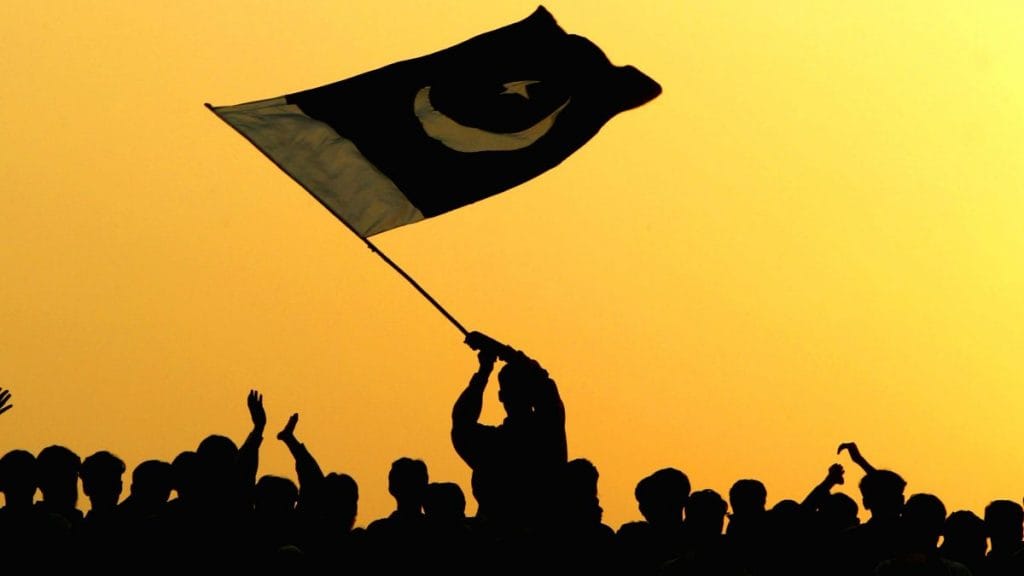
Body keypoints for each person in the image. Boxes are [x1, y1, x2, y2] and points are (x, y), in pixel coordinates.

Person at [451, 330, 567, 540]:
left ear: (501, 396)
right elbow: (544, 383)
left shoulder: (491, 444)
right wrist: (503, 351)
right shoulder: (548, 431)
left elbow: (461, 422)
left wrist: (484, 371)